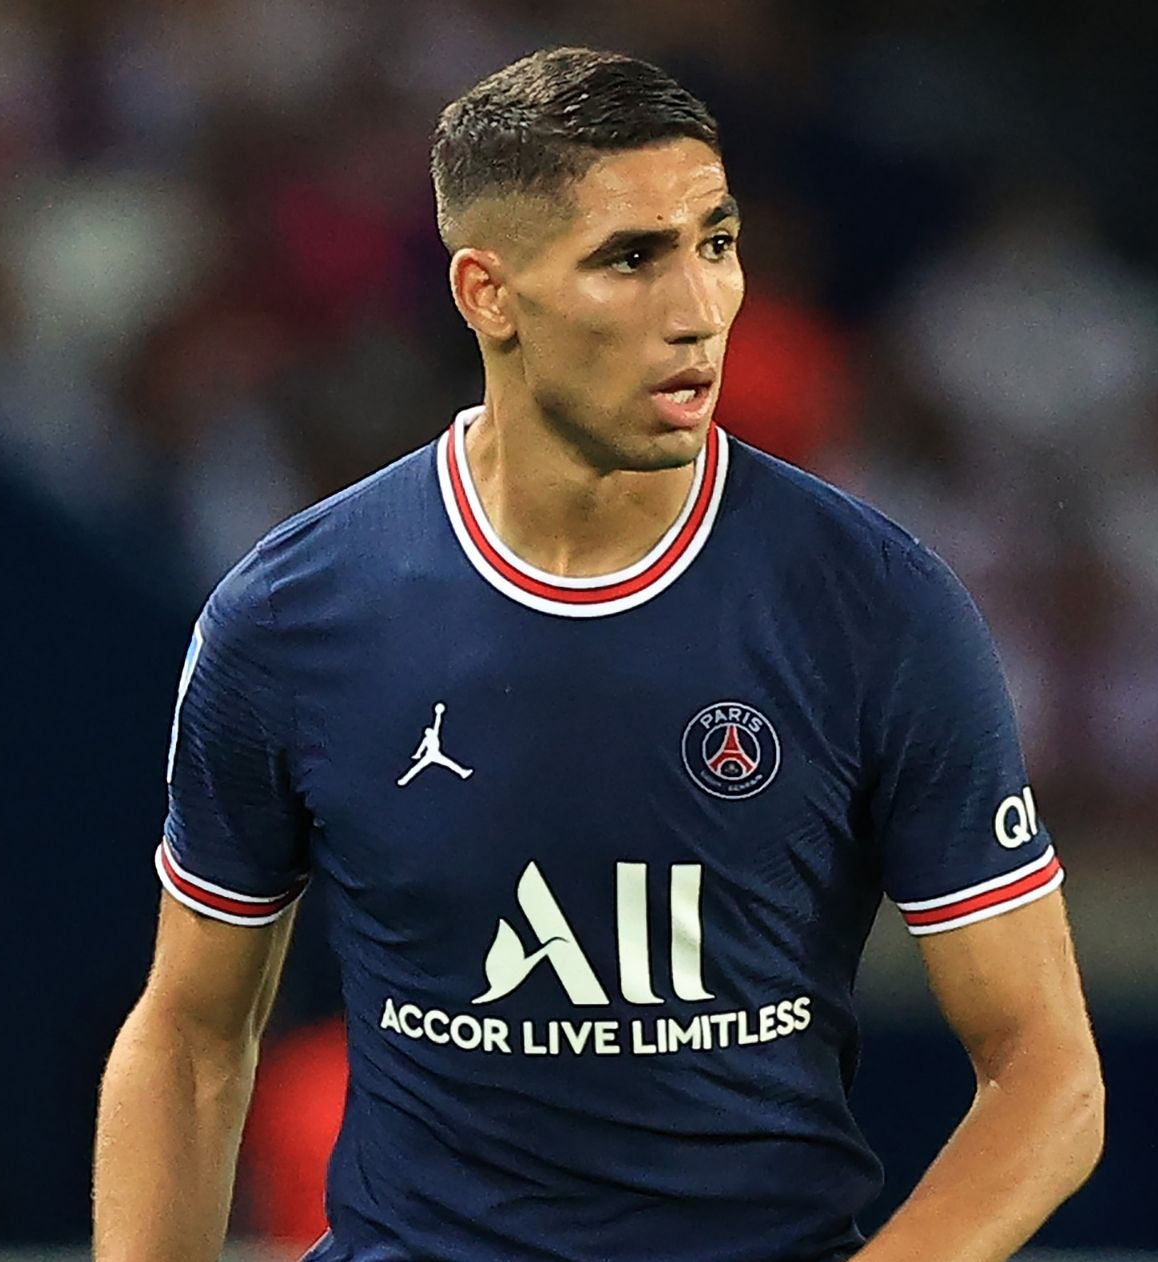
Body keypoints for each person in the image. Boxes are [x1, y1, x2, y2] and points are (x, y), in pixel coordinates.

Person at [94, 46, 1102, 1262]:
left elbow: (1047, 1071)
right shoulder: (291, 615)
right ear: (488, 293)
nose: (698, 308)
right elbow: (192, 1036)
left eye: (716, 243)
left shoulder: (876, 607)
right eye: (631, 258)